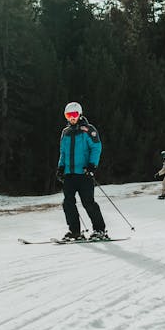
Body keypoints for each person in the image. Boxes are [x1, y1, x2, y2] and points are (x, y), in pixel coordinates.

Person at [56, 101, 108, 241]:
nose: (71, 118)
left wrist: (92, 166)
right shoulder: (65, 133)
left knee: (88, 202)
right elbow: (63, 152)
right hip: (69, 174)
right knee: (68, 203)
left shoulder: (88, 130)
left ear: (79, 114)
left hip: (84, 173)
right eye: (68, 115)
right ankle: (74, 232)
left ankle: (100, 230)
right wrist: (61, 167)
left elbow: (96, 148)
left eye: (74, 114)